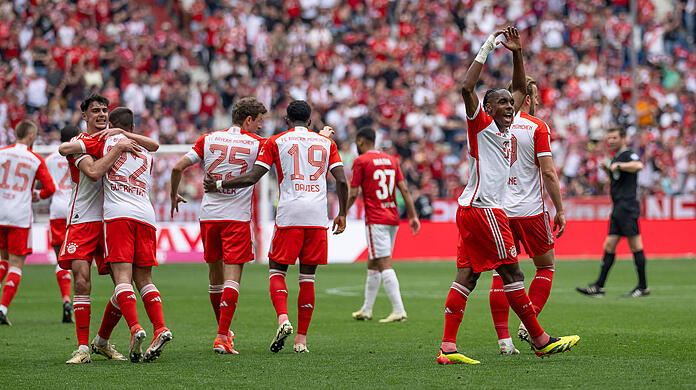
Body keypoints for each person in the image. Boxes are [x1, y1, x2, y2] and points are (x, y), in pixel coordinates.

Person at [436, 27, 579, 365]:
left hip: (473, 208)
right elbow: (466, 87)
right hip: (486, 210)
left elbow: (518, 89)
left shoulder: (507, 125)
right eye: (501, 102)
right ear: (486, 108)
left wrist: (516, 53)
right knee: (513, 274)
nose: (509, 106)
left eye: (509, 103)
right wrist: (487, 47)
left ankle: (447, 349)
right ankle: (540, 339)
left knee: (468, 277)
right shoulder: (481, 124)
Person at [203, 100, 348, 354]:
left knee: (277, 270)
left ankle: (283, 318)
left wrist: (219, 185)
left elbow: (252, 177)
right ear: (311, 121)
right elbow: (342, 181)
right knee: (308, 278)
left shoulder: (275, 141)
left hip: (289, 214)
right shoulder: (327, 143)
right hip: (316, 216)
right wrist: (343, 213)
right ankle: (301, 341)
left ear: (286, 121)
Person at [61, 107, 169, 363]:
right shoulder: (90, 142)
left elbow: (151, 145)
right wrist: (119, 142)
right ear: (85, 116)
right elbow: (71, 154)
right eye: (95, 111)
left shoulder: (109, 140)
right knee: (88, 280)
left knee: (123, 281)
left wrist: (117, 138)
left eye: (103, 111)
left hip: (114, 217)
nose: (100, 115)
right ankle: (86, 347)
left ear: (110, 121)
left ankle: (115, 336)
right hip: (93, 218)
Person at [170, 97, 268, 354]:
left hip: (209, 216)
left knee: (215, 278)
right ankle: (222, 335)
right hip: (236, 217)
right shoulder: (258, 143)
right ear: (248, 119)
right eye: (259, 121)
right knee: (233, 278)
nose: (260, 127)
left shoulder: (209, 139)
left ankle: (224, 333)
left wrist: (173, 194)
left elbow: (178, 167)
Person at [488, 76, 566, 355]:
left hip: (499, 211)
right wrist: (560, 209)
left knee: (502, 274)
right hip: (531, 211)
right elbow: (548, 172)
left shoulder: (493, 127)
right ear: (529, 99)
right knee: (545, 266)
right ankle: (529, 325)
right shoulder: (537, 127)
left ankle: (504, 342)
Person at [347, 127, 420, 323]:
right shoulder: (392, 160)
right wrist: (413, 216)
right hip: (393, 217)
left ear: (361, 141)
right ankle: (366, 309)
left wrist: (341, 213)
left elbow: (353, 193)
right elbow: (404, 189)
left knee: (383, 263)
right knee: (373, 262)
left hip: (376, 219)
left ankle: (399, 310)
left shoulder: (361, 161)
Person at [577, 127, 648, 298]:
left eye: (614, 138)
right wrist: (608, 170)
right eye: (609, 138)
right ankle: (599, 287)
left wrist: (618, 165)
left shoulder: (626, 154)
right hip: (618, 207)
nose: (611, 141)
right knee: (609, 245)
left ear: (623, 138)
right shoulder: (616, 157)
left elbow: (639, 165)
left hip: (627, 206)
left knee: (636, 246)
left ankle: (643, 287)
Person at [0, 120, 56, 326]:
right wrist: (36, 194)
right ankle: (2, 308)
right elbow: (50, 188)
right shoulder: (35, 159)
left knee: (2, 261)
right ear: (31, 136)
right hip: (19, 217)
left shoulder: (2, 152)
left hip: (0, 213)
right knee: (16, 264)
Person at [45, 124, 82, 324]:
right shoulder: (80, 154)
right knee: (77, 258)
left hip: (56, 209)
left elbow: (43, 184)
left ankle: (66, 299)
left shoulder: (50, 158)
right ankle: (78, 303)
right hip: (75, 207)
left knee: (60, 258)